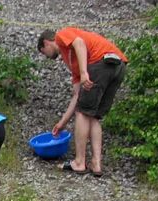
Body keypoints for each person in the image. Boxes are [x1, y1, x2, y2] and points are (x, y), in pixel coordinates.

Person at [37, 27, 128, 177]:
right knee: (93, 115)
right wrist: (62, 122)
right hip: (118, 66)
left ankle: (79, 162)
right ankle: (96, 164)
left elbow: (79, 43)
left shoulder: (61, 36)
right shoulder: (72, 61)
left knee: (82, 113)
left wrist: (85, 72)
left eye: (43, 52)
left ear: (47, 43)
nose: (46, 57)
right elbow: (77, 95)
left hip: (100, 63)